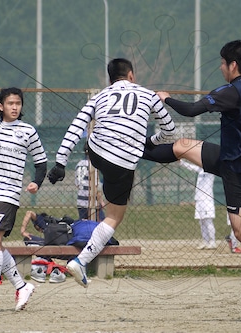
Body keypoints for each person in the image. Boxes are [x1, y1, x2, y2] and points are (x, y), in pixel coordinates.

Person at [143, 40, 241, 315]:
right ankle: (134, 148)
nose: (220, 68)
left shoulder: (231, 92)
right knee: (182, 147)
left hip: (237, 170)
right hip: (239, 161)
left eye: (222, 63)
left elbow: (192, 110)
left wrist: (164, 98)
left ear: (233, 65)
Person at [47, 58, 176, 288]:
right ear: (131, 76)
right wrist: (149, 142)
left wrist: (60, 162)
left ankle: (81, 262)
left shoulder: (99, 96)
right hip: (123, 163)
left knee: (104, 148)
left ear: (110, 79)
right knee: (114, 216)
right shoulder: (148, 95)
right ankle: (81, 261)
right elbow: (170, 131)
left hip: (97, 152)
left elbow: (77, 125)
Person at [0, 87, 48, 310]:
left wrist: (37, 182)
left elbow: (41, 162)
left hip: (8, 194)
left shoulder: (27, 131)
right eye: (10, 103)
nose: (15, 107)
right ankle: (22, 287)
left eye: (18, 103)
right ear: (1, 106)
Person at [179, 160, 217, 250]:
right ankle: (205, 241)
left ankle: (213, 241)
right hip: (199, 200)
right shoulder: (200, 170)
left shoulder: (211, 171)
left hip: (207, 200)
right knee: (201, 221)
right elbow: (191, 167)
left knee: (208, 221)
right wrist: (181, 162)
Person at [75, 142, 106, 221]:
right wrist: (101, 201)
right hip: (92, 201)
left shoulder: (79, 164)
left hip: (81, 201)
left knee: (84, 224)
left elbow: (77, 184)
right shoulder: (93, 166)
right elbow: (95, 186)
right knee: (100, 223)